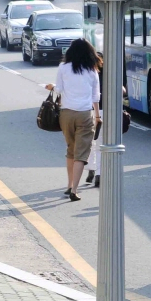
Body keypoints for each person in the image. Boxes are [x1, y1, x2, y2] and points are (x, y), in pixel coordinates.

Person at [46, 38, 102, 201]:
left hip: (66, 114)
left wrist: (50, 87)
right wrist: (97, 116)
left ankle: (69, 184)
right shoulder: (92, 70)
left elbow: (59, 89)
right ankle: (74, 190)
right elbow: (95, 96)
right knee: (81, 153)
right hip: (84, 114)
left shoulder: (63, 67)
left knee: (71, 149)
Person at [85, 51, 103, 188]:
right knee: (100, 144)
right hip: (103, 110)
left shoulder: (83, 73)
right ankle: (99, 174)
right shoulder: (108, 73)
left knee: (90, 143)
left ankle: (91, 168)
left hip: (85, 110)